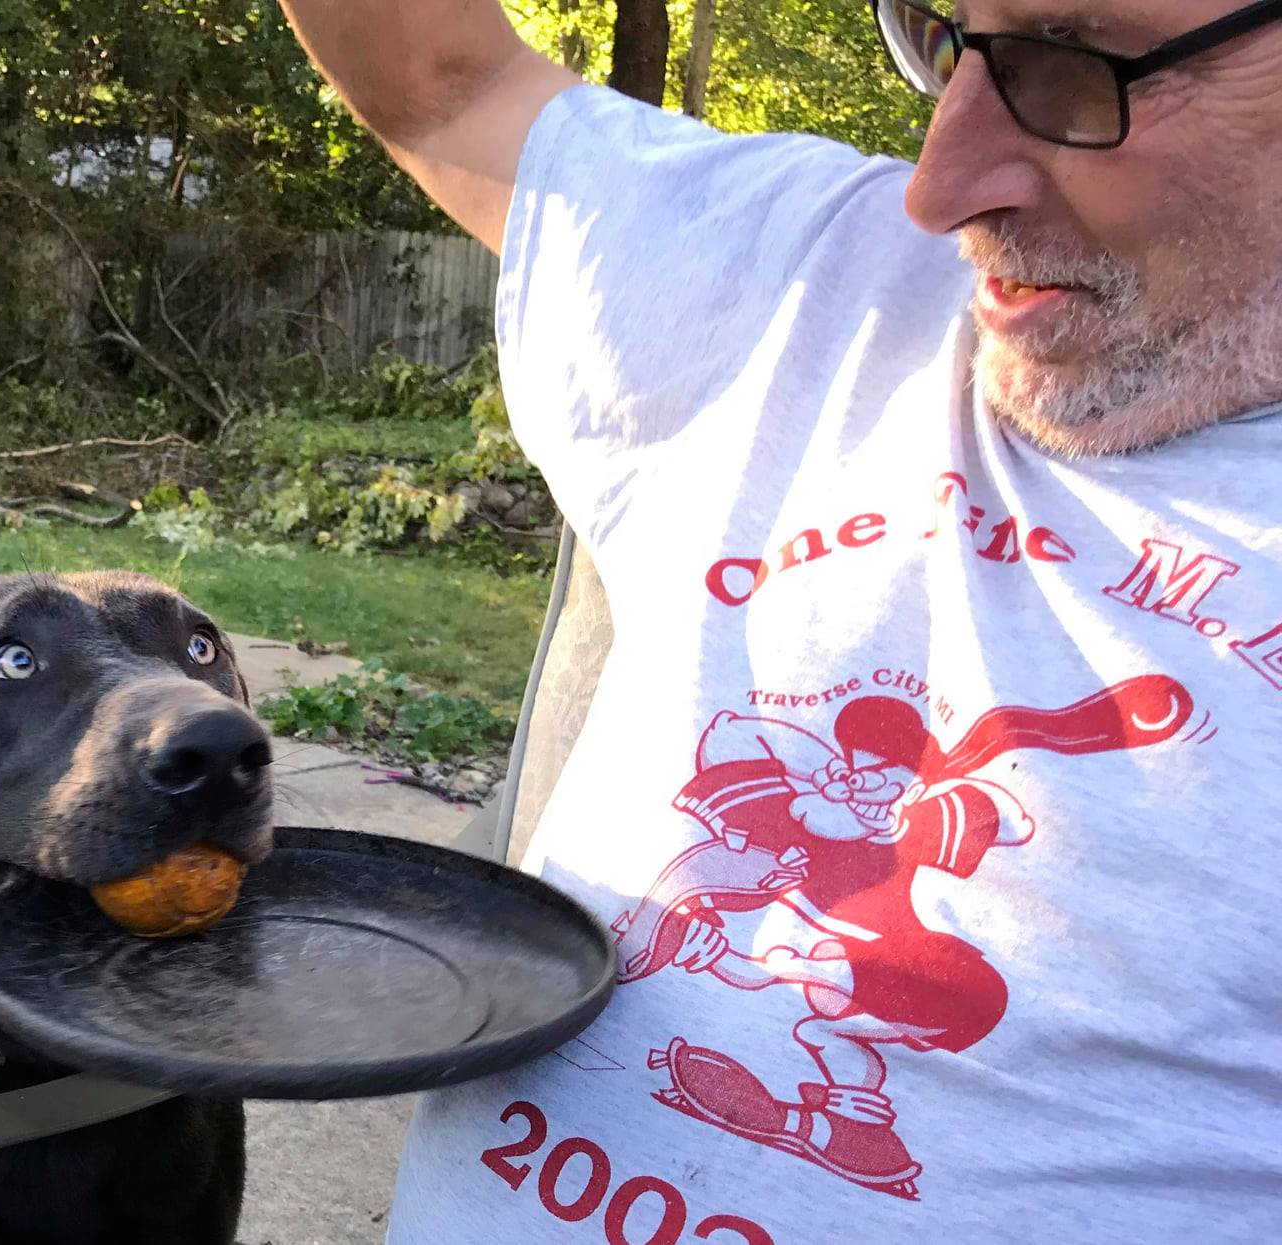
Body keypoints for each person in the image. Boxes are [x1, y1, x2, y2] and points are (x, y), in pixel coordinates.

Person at [276, 1, 1282, 1240]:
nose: (936, 190)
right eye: (941, 34)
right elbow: (437, 82)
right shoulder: (812, 275)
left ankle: (837, 1105)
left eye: (1070, 68)